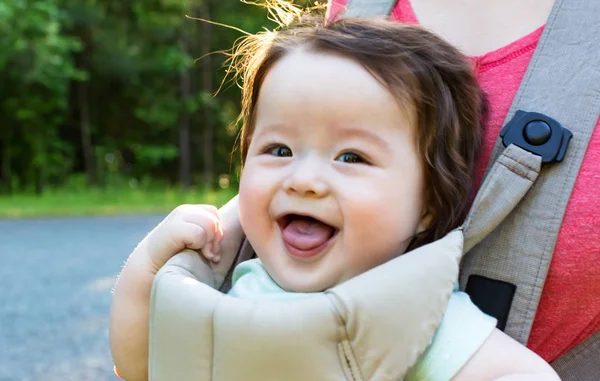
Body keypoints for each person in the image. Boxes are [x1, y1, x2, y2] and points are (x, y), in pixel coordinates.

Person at [110, 5, 561, 381]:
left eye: (350, 158)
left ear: (427, 205)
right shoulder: (240, 284)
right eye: (279, 149)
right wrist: (150, 263)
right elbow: (140, 364)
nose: (303, 179)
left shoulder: (416, 309)